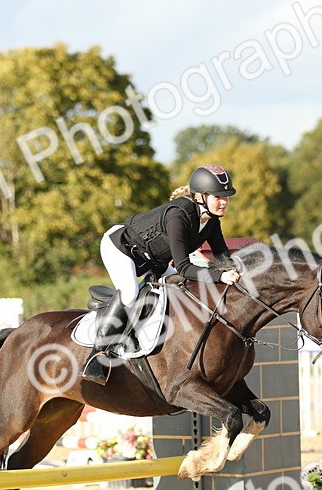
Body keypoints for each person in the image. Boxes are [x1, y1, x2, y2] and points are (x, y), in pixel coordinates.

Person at [81, 164, 243, 384]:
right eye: (218, 197)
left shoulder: (212, 221)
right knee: (129, 293)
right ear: (200, 197)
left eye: (226, 197)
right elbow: (185, 268)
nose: (224, 202)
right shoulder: (179, 215)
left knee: (180, 289)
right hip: (120, 247)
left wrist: (240, 271)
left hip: (154, 260)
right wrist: (219, 277)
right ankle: (97, 355)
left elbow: (222, 257)